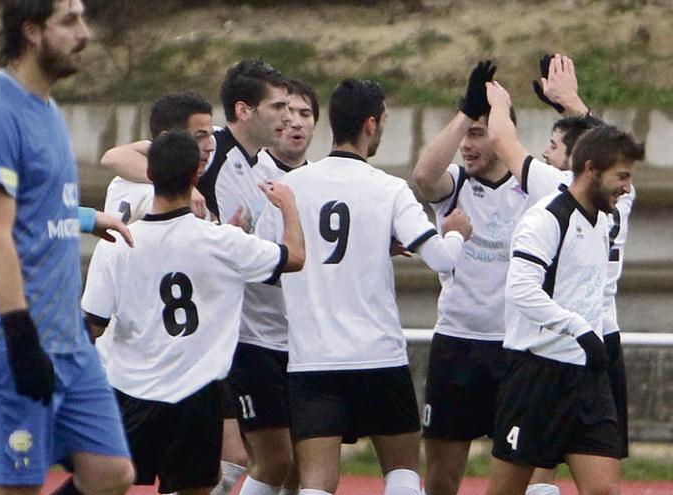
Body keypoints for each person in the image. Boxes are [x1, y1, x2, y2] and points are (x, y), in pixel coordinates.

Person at [0, 1, 134, 494]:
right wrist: (20, 337)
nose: (85, 33)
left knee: (111, 474)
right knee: (17, 487)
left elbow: (42, 213)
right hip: (8, 335)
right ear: (31, 32)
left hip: (67, 337)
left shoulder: (48, 111)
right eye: (70, 21)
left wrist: (90, 219)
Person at [256, 79, 472, 495]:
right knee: (403, 472)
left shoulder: (291, 189)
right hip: (377, 355)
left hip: (313, 358)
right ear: (371, 125)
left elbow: (275, 263)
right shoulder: (388, 188)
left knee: (317, 482)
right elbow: (443, 258)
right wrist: (457, 232)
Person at [82, 130, 305, 495]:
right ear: (195, 177)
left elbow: (92, 324)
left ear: (149, 176)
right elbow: (294, 257)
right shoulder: (221, 241)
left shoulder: (119, 242)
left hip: (130, 389)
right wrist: (289, 207)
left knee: (106, 483)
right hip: (195, 392)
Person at [486, 65, 634, 495]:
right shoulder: (559, 210)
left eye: (552, 146)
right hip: (555, 350)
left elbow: (503, 141)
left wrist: (497, 103)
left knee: (597, 482)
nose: (546, 154)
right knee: (522, 477)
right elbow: (523, 288)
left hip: (590, 350)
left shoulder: (563, 186)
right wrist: (572, 102)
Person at [410, 59, 535, 495]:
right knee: (441, 480)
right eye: (464, 134)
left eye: (478, 133)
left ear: (503, 137)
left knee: (514, 478)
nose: (467, 143)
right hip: (457, 343)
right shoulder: (456, 187)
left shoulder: (531, 190)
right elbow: (424, 176)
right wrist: (465, 112)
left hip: (514, 347)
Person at [229, 78, 318, 495]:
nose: (295, 122)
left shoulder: (323, 181)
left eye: (305, 114)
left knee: (303, 463)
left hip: (307, 344)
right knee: (272, 457)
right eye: (288, 111)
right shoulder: (247, 170)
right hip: (255, 339)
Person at [102, 91, 215, 224]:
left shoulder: (118, 183)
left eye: (210, 136)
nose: (210, 146)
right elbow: (111, 157)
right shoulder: (166, 201)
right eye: (199, 137)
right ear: (166, 139)